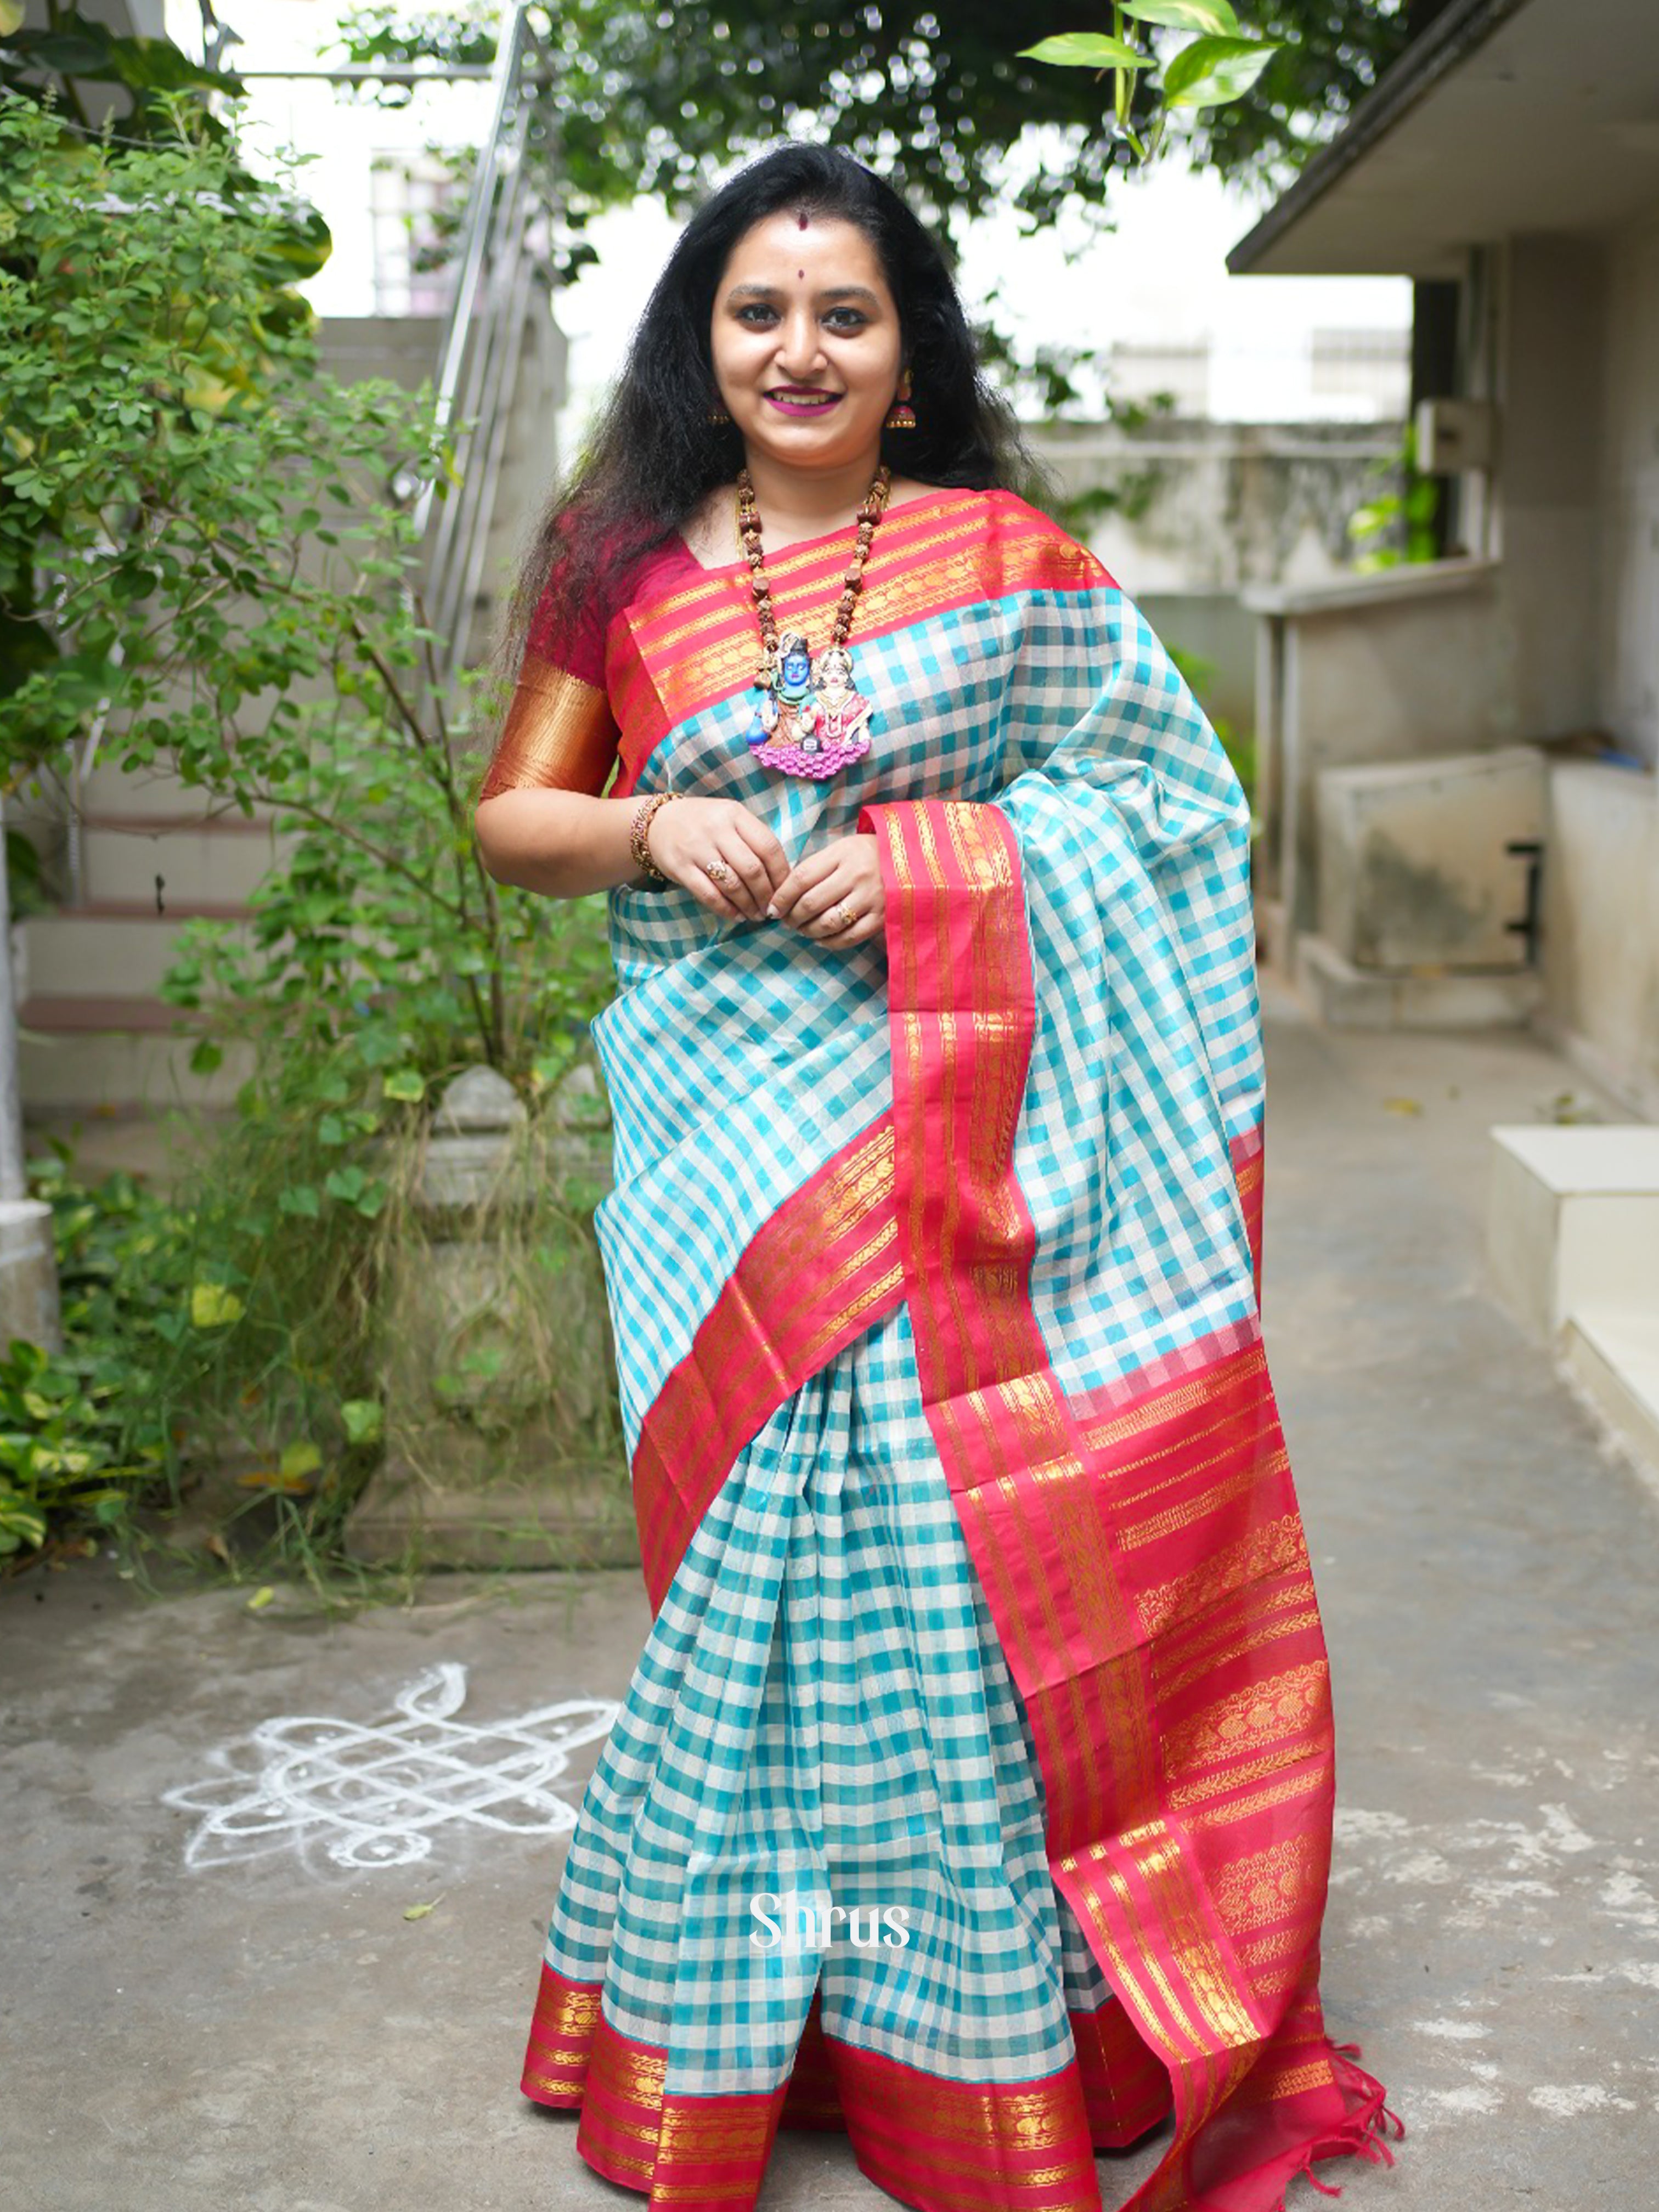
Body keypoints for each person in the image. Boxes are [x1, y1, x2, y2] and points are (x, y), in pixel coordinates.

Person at [473, 140, 1403, 2212]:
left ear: (906, 357)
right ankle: (742, 2016)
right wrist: (651, 835)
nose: (796, 348)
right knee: (750, 1573)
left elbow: (1162, 802)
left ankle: (960, 2032)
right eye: (755, 310)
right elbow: (512, 815)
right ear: (699, 339)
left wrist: (924, 872)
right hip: (728, 1136)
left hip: (952, 1127)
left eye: (844, 314)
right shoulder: (613, 561)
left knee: (938, 1540)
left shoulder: (1005, 556)